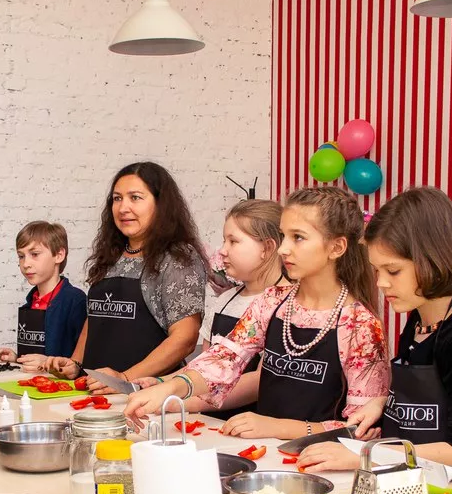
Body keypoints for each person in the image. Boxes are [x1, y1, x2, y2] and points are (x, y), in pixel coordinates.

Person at [125, 187, 389, 445]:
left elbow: (362, 428)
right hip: (266, 452)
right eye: (284, 236)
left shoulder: (360, 325)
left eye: (298, 237)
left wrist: (279, 427)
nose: (283, 249)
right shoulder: (272, 301)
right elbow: (224, 359)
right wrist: (170, 387)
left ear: (336, 247)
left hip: (322, 461)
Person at [295, 187, 452, 472]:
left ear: (435, 260)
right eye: (377, 271)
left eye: (393, 271)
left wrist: (366, 455)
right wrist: (381, 402)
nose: (381, 283)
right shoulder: (419, 319)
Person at [42, 162, 214, 390]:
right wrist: (76, 363)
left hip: (144, 395)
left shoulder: (177, 258)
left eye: (135, 198)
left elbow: (185, 338)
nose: (123, 208)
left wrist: (124, 378)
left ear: (161, 204)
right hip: (95, 391)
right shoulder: (111, 254)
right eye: (117, 198)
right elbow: (95, 319)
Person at [146, 199, 290, 418]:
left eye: (233, 241)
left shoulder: (287, 305)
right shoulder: (225, 300)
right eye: (224, 241)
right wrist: (160, 382)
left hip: (252, 422)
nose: (222, 251)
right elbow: (206, 366)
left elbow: (258, 381)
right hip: (211, 422)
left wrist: (181, 402)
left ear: (267, 248)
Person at [0, 221, 87, 365]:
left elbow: (84, 361)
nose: (26, 264)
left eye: (34, 254)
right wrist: (18, 359)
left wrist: (49, 363)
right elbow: (38, 356)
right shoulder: (31, 302)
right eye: (21, 256)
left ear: (59, 255)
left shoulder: (75, 301)